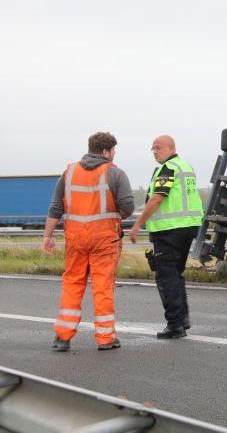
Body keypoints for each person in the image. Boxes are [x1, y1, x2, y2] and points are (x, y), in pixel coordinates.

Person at [43, 132, 135, 352]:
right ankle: (105, 338)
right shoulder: (115, 173)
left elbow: (56, 207)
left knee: (73, 283)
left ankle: (62, 337)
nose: (114, 155)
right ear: (105, 151)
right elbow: (128, 205)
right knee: (102, 286)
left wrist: (47, 236)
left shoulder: (69, 172)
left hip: (75, 239)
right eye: (113, 151)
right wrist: (116, 216)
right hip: (104, 239)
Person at [129, 135, 204, 339]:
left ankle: (175, 324)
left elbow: (157, 198)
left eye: (159, 148)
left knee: (166, 275)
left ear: (171, 147)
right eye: (152, 148)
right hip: (188, 228)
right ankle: (183, 319)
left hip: (169, 230)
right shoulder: (185, 166)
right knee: (175, 274)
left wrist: (137, 224)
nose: (155, 151)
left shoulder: (168, 168)